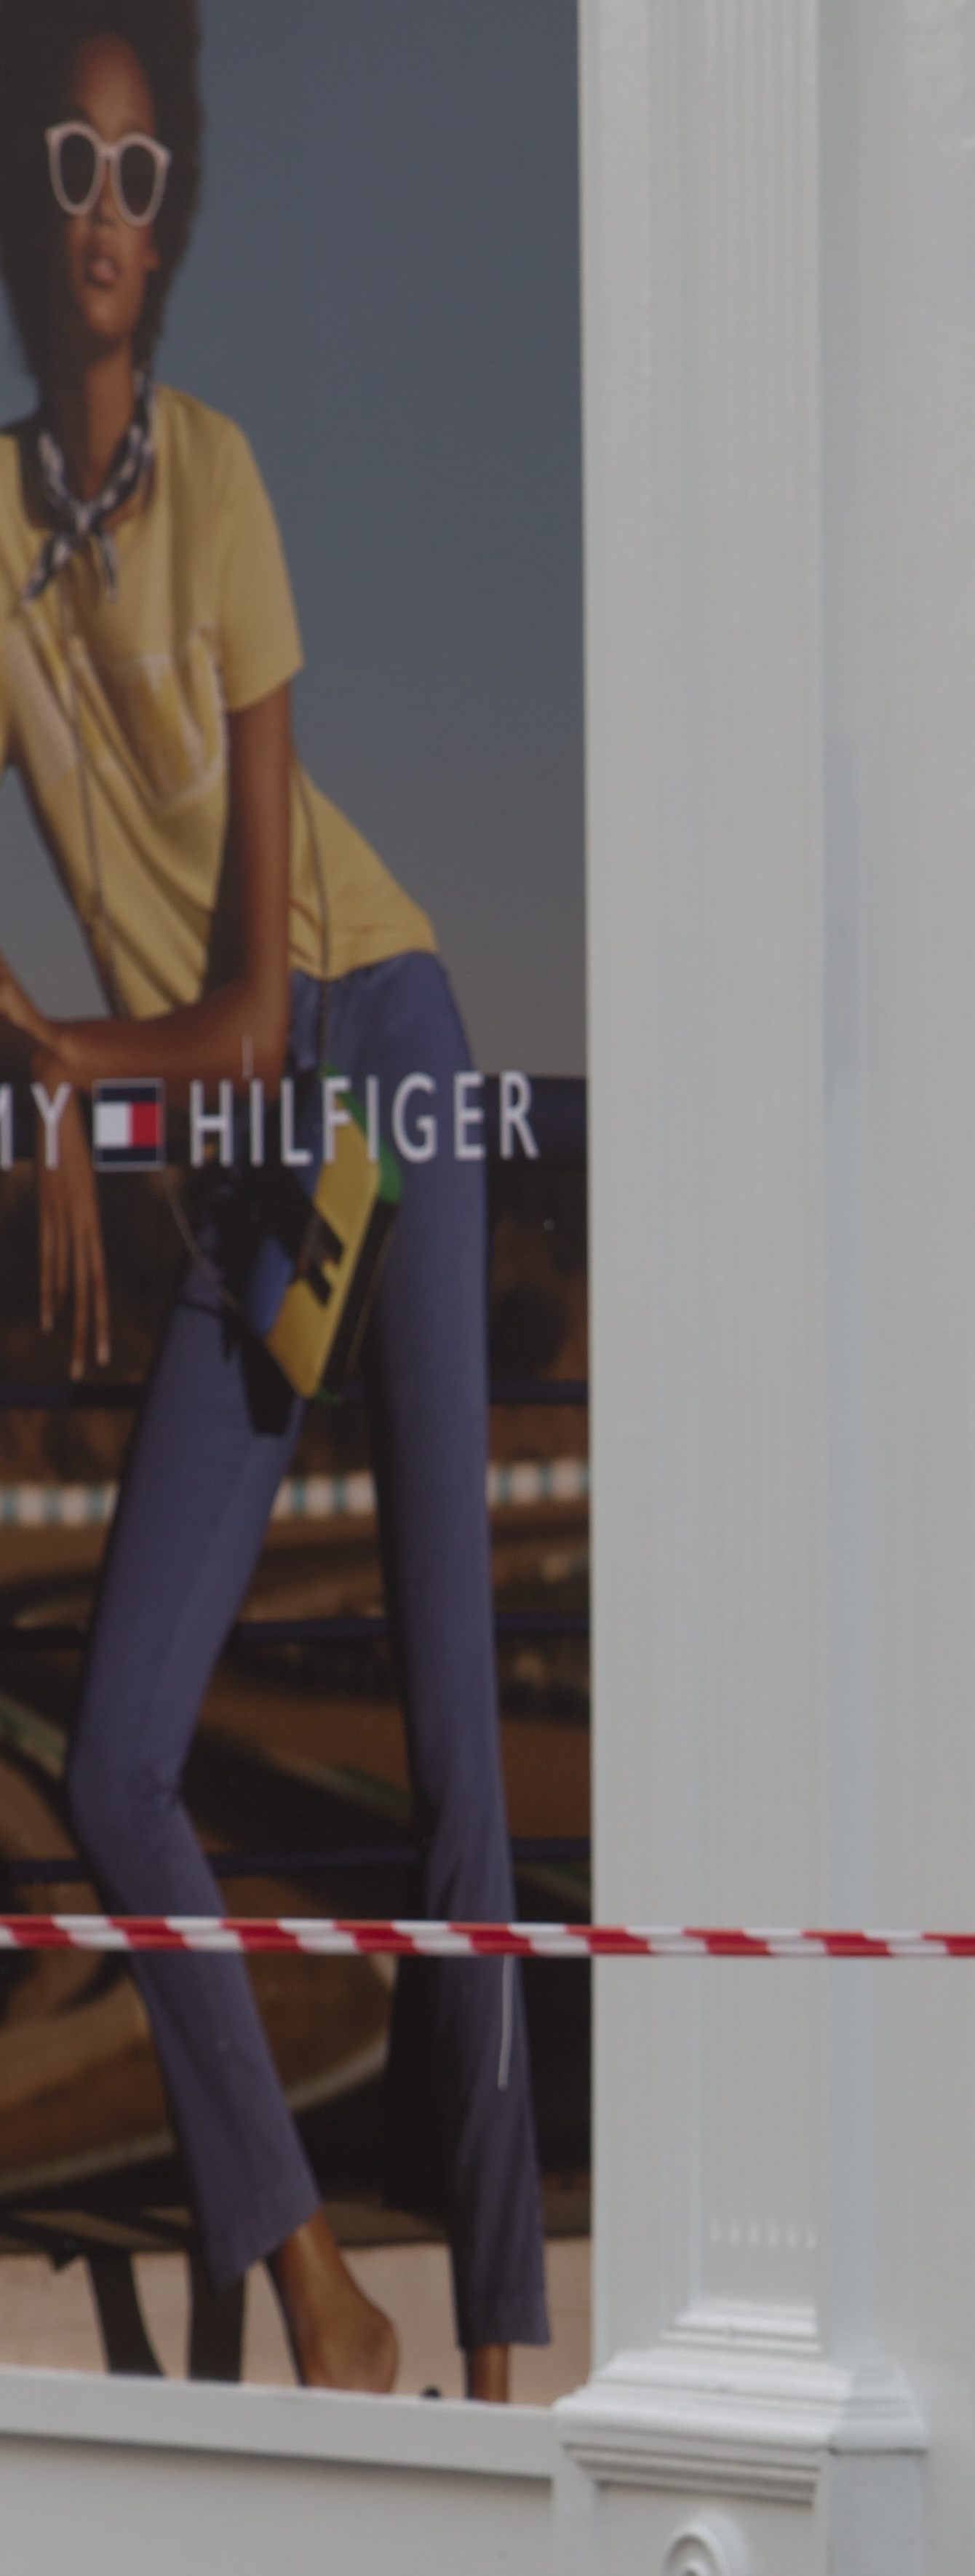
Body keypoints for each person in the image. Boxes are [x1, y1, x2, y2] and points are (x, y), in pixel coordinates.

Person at [0, 1, 546, 2397]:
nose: (104, 218)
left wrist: (62, 1073)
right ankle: (323, 2292)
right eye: (69, 167)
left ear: (174, 216)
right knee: (119, 1758)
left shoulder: (214, 475)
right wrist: (40, 1073)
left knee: (453, 1748)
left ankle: (503, 2352)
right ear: (27, 198)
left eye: (141, 179)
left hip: (368, 1065)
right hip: (231, 1160)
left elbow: (240, 1009)